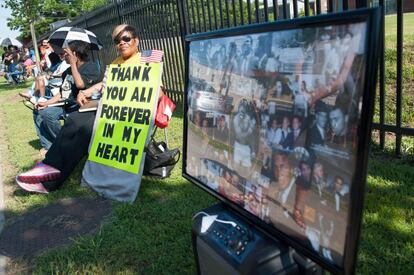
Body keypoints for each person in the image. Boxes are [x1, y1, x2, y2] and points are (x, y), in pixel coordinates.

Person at [16, 24, 165, 194]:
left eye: (126, 38)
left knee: (87, 128)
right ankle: (49, 166)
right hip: (111, 108)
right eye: (117, 40)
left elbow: (159, 94)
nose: (122, 43)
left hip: (131, 113)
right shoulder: (117, 62)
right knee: (74, 118)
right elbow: (106, 83)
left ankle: (50, 182)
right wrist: (87, 90)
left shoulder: (146, 60)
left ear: (136, 40)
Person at [32, 41, 100, 152]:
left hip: (81, 105)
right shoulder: (67, 71)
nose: (63, 57)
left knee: (48, 114)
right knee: (38, 110)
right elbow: (62, 93)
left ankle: (65, 144)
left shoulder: (91, 67)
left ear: (75, 55)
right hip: (65, 103)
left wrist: (73, 64)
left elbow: (80, 84)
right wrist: (46, 103)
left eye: (66, 54)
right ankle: (49, 146)